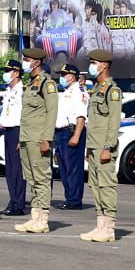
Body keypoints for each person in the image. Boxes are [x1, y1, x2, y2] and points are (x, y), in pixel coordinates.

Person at [80, 50, 122, 243]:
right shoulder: (97, 89)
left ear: (104, 65)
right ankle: (100, 225)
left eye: (94, 62)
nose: (91, 65)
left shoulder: (112, 91)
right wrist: (90, 147)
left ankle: (109, 228)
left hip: (104, 146)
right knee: (95, 186)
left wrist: (107, 146)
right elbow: (94, 121)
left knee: (106, 186)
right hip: (94, 145)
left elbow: (113, 121)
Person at [15, 48, 58, 234]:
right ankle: (35, 216)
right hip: (27, 138)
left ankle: (43, 219)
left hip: (38, 138)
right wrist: (21, 138)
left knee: (41, 178)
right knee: (31, 179)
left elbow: (52, 111)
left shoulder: (47, 84)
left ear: (37, 62)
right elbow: (27, 114)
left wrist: (47, 138)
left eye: (27, 59)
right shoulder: (31, 83)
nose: (24, 62)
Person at [0, 59, 26, 218]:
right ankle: (13, 201)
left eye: (8, 71)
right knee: (10, 170)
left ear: (16, 73)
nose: (5, 74)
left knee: (17, 170)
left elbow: (24, 116)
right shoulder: (9, 90)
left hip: (17, 131)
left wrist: (22, 137)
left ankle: (18, 204)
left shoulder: (22, 90)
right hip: (8, 131)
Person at [54, 63, 88, 210]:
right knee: (64, 168)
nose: (62, 77)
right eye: (61, 75)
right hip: (61, 132)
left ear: (73, 76)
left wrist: (76, 135)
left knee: (73, 168)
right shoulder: (66, 91)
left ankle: (74, 200)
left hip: (72, 131)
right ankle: (69, 197)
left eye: (64, 75)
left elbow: (81, 115)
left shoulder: (78, 91)